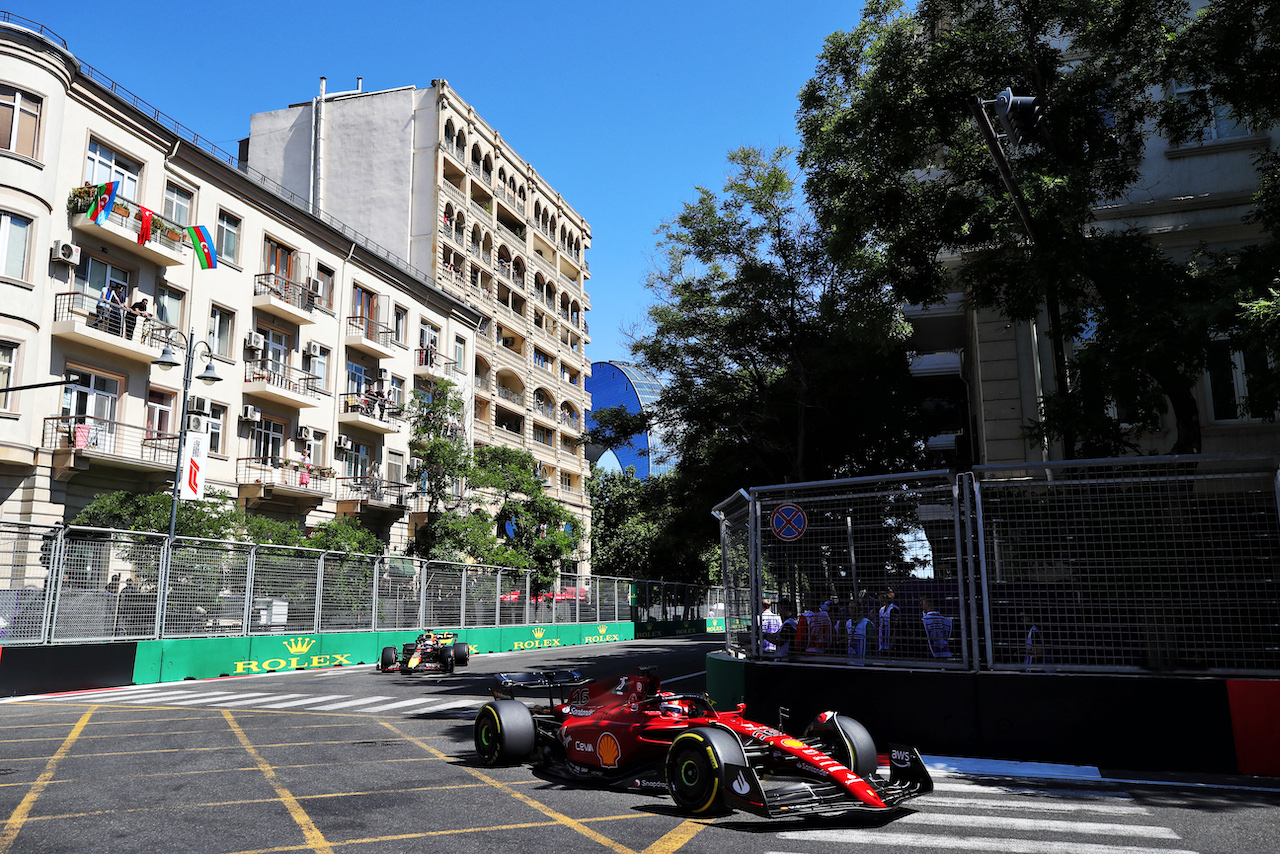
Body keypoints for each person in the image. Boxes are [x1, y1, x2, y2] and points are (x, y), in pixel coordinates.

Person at [846, 592, 877, 664]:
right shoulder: (848, 623)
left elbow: (873, 642)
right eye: (850, 608)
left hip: (864, 662)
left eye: (854, 608)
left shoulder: (866, 623)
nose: (851, 610)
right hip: (851, 661)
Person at [921, 594, 954, 659]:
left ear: (928, 604)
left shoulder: (925, 621)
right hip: (946, 655)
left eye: (922, 603)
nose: (921, 605)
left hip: (932, 656)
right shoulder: (946, 621)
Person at [877, 589, 900, 656]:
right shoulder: (881, 610)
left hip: (890, 644)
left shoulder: (893, 609)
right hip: (882, 643)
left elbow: (896, 628)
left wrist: (891, 645)